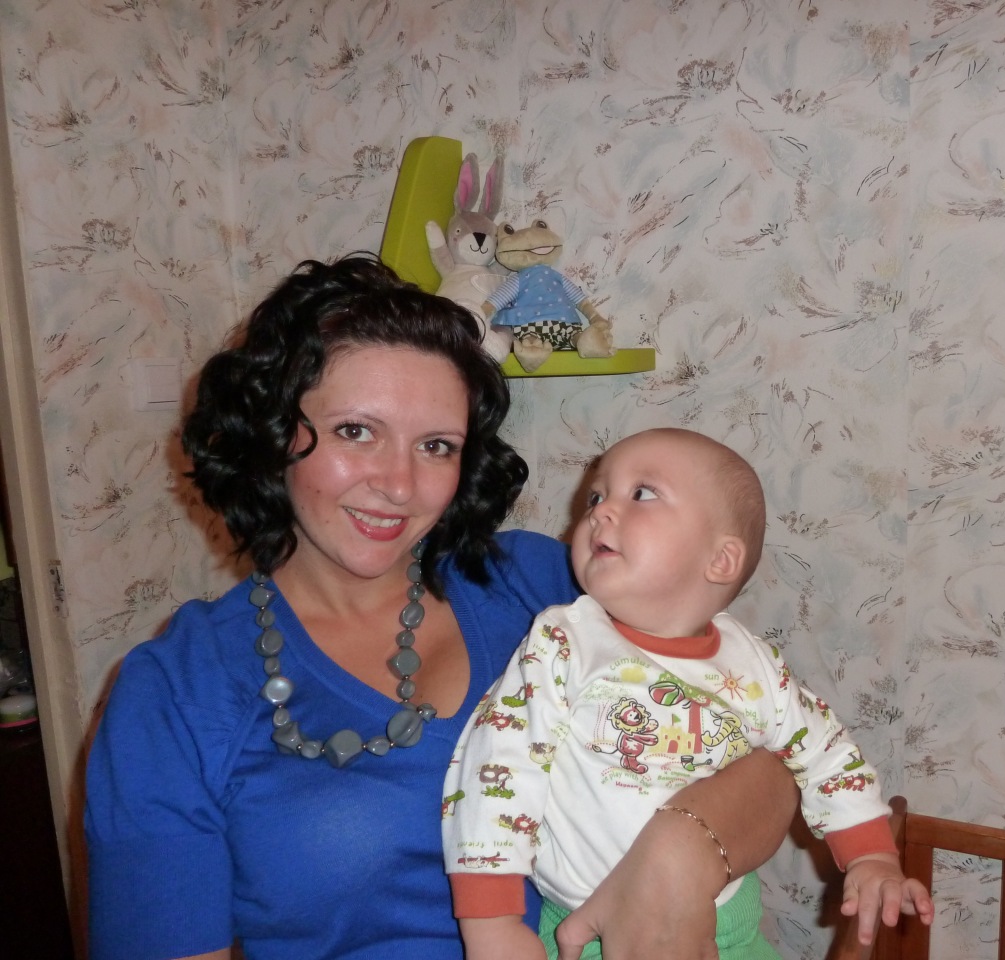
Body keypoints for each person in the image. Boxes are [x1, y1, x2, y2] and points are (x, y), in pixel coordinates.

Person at [83, 254, 799, 960]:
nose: (399, 484)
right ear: (273, 434)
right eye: (355, 431)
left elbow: (777, 760)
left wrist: (684, 846)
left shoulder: (542, 587)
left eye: (435, 446)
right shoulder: (178, 691)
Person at [443, 427, 935, 959]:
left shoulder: (755, 664)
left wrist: (870, 855)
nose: (600, 511)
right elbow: (498, 768)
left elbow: (825, 751)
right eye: (596, 496)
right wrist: (492, 921)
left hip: (734, 932)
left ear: (720, 560)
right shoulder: (563, 643)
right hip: (592, 936)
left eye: (642, 493)